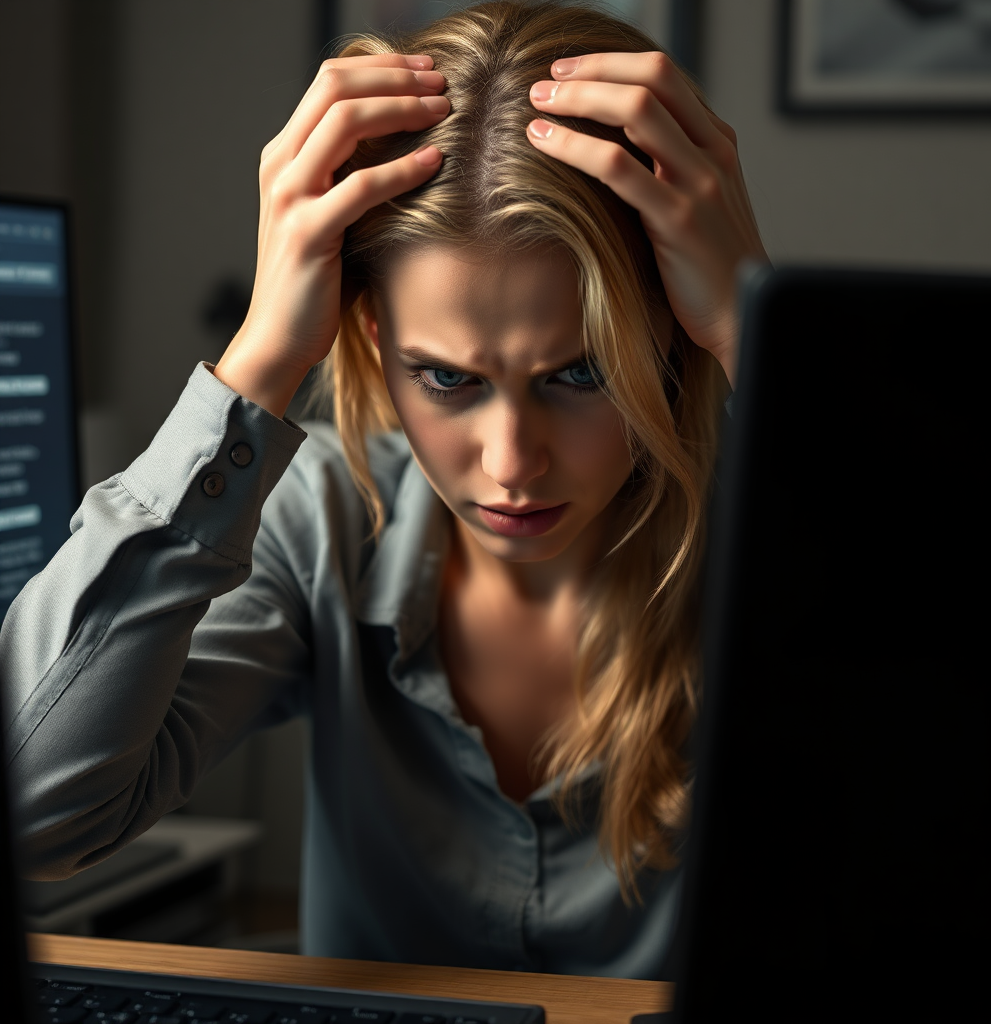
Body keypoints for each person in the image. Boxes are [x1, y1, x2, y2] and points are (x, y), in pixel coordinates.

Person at [0, 0, 767, 978]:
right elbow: (34, 816)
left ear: (669, 343)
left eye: (580, 374)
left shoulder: (773, 535)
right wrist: (259, 359)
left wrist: (758, 334)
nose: (510, 463)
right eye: (447, 377)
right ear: (370, 339)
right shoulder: (324, 515)